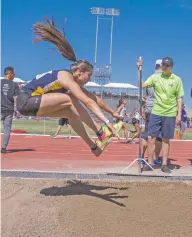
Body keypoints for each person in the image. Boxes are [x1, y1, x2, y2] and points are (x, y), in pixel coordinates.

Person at [16, 18, 123, 157]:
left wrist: (112, 112)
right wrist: (106, 123)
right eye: (89, 75)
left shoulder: (72, 83)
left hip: (33, 105)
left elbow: (93, 98)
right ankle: (100, 132)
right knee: (69, 99)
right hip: (26, 100)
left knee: (70, 113)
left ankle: (94, 147)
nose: (89, 79)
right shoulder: (66, 78)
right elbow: (88, 102)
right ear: (79, 72)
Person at [140, 57, 184, 173]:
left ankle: (164, 164)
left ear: (171, 67)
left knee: (165, 139)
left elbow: (179, 98)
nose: (164, 67)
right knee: (151, 138)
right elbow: (142, 85)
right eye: (163, 65)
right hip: (156, 111)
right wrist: (139, 70)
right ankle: (150, 163)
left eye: (167, 65)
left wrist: (179, 114)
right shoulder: (155, 77)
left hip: (170, 113)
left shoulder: (177, 80)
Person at [142, 59, 163, 164]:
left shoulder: (149, 78)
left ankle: (142, 157)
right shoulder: (164, 78)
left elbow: (146, 95)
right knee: (158, 136)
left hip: (149, 108)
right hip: (159, 109)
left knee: (146, 134)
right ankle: (156, 158)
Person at [1, 67, 20, 153]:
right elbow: (17, 98)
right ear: (10, 73)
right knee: (7, 129)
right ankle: (3, 148)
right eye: (14, 74)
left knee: (7, 129)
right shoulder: (14, 85)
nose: (14, 76)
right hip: (9, 109)